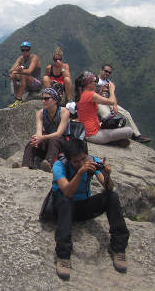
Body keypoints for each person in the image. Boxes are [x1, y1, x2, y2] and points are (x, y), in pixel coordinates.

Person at [51, 138, 129, 279]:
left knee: (111, 197)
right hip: (63, 209)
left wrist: (106, 175)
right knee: (65, 201)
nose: (81, 163)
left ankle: (118, 247)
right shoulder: (59, 166)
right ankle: (63, 255)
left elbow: (109, 188)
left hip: (83, 206)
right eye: (76, 161)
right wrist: (80, 172)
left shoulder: (93, 161)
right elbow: (67, 192)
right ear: (69, 160)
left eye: (83, 159)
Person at [13, 87, 70, 172]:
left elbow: (59, 133)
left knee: (54, 139)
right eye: (42, 98)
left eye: (46, 99)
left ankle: (49, 165)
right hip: (48, 140)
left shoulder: (64, 112)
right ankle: (25, 165)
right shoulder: (40, 113)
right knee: (33, 141)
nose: (43, 101)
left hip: (63, 142)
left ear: (55, 100)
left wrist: (42, 137)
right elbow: (39, 132)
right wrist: (36, 139)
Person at [74, 71, 133, 146]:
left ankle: (113, 140)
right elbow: (111, 101)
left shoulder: (82, 94)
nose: (96, 83)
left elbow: (93, 102)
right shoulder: (90, 95)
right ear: (88, 84)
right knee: (129, 131)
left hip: (86, 132)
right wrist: (112, 90)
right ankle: (112, 141)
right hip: (93, 135)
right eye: (94, 81)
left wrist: (101, 91)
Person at [95, 64, 151, 143]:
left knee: (126, 113)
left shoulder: (110, 83)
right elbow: (91, 95)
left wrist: (115, 106)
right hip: (99, 102)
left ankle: (136, 135)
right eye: (106, 71)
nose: (107, 73)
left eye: (109, 72)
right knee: (108, 115)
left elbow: (113, 95)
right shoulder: (95, 80)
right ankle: (115, 135)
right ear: (101, 70)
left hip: (109, 101)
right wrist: (102, 89)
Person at [7, 41, 42, 108]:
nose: (25, 52)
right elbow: (11, 70)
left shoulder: (34, 58)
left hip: (37, 83)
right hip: (27, 85)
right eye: (23, 50)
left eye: (27, 50)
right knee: (13, 75)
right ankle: (17, 98)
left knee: (23, 75)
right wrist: (16, 69)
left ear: (30, 50)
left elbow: (29, 71)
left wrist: (19, 71)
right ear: (21, 50)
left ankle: (19, 99)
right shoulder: (20, 58)